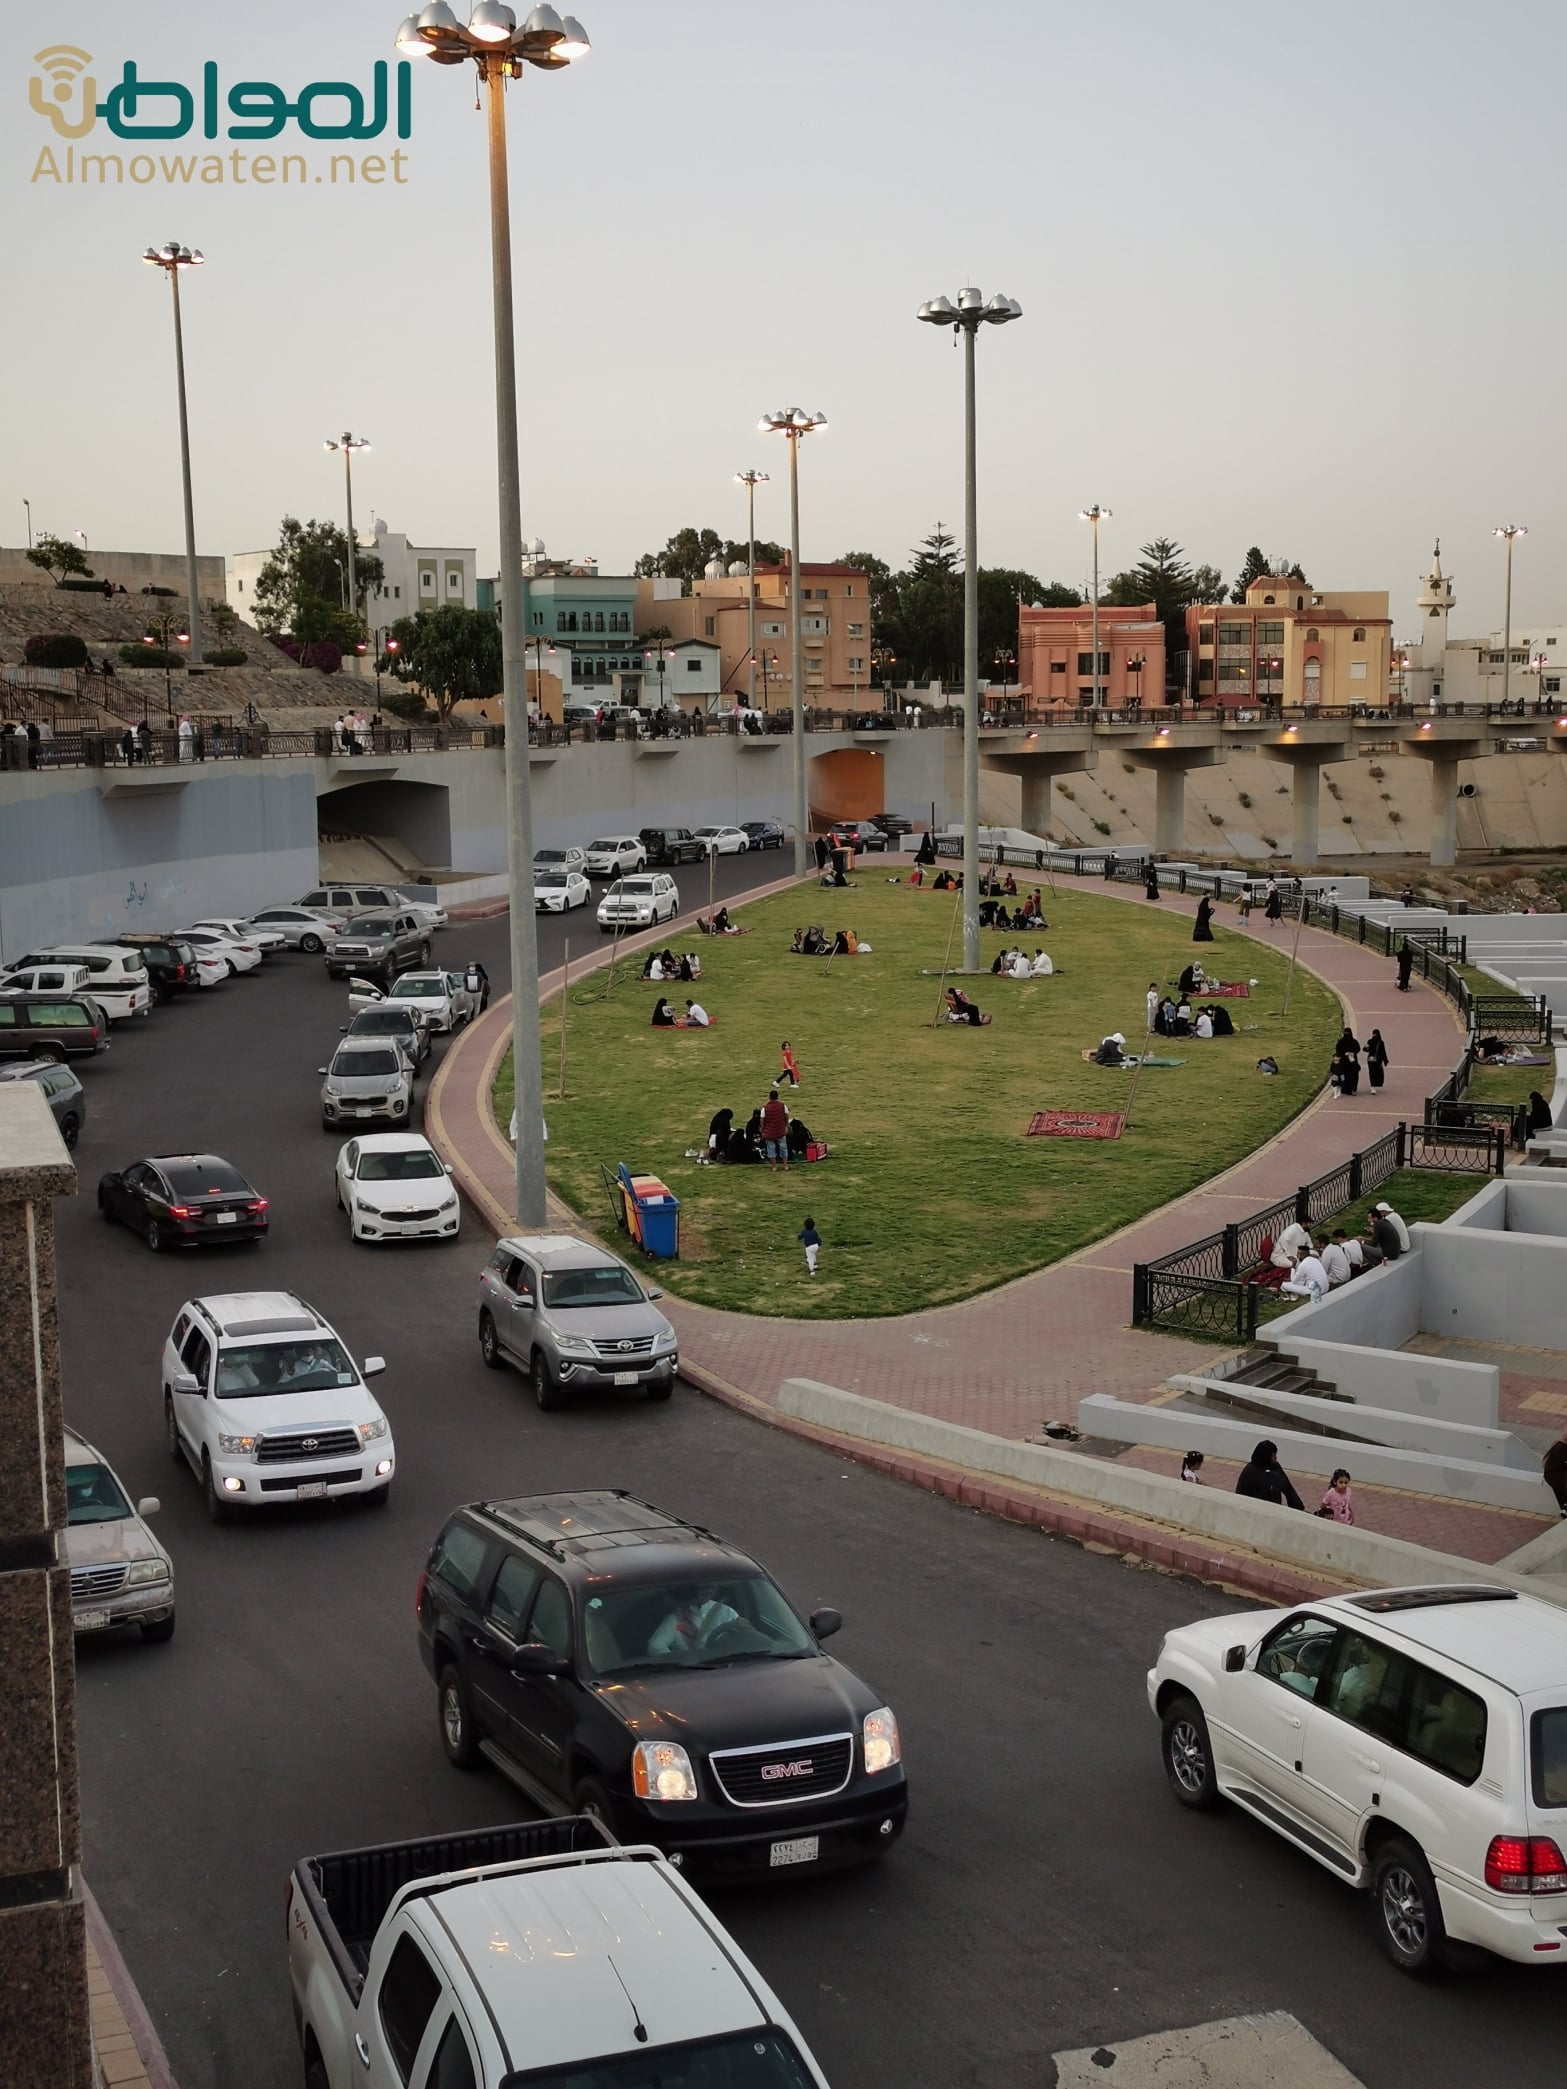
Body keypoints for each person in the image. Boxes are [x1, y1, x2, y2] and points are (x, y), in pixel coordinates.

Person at [647, 1585, 741, 1657]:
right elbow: (655, 1646)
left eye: (710, 1587)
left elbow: (742, 1638)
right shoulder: (676, 1619)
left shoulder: (727, 1612)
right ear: (690, 1590)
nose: (708, 1591)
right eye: (702, 1588)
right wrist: (676, 1663)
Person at [1234, 1440, 1305, 1511]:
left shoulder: (1275, 1467)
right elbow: (1241, 1495)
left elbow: (1288, 1489)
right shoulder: (1250, 1471)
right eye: (1273, 1456)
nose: (1275, 1458)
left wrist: (1299, 1508)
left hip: (1274, 1510)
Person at [760, 1087, 791, 1171]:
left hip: (769, 1131)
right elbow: (786, 1116)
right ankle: (785, 1165)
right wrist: (786, 1126)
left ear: (769, 1097)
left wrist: (762, 1130)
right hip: (780, 1130)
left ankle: (774, 1166)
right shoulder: (783, 1106)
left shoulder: (764, 1108)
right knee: (783, 1147)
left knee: (771, 1148)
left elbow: (762, 1121)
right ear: (777, 1097)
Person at [1544, 1433, 1567, 1517]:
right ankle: (1564, 1508)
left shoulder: (1561, 1445)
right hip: (1554, 1475)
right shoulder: (1561, 1448)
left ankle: (1564, 1508)